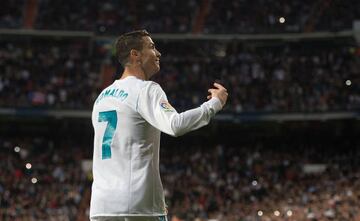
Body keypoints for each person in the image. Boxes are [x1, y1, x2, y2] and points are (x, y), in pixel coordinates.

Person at [90, 30, 228, 221]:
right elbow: (175, 125)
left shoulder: (101, 98)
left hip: (101, 206)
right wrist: (214, 104)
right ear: (135, 54)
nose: (158, 53)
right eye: (152, 47)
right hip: (139, 206)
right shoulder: (146, 89)